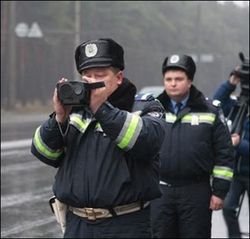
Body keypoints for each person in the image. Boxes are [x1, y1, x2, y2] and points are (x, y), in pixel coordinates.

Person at [31, 38, 166, 238]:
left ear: (119, 77)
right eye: (86, 76)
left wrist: (101, 109)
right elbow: (44, 153)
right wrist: (59, 117)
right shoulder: (75, 111)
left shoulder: (145, 107)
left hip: (125, 224)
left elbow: (147, 142)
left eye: (99, 75)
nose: (91, 81)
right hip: (77, 224)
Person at [151, 54, 234, 238]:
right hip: (160, 192)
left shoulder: (210, 110)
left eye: (179, 79)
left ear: (189, 81)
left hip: (196, 192)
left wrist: (219, 192)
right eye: (168, 79)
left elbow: (224, 153)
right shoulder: (153, 109)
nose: (173, 83)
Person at [213, 64, 249, 238]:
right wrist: (231, 82)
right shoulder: (237, 105)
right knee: (227, 208)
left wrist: (239, 144)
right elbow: (215, 103)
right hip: (235, 172)